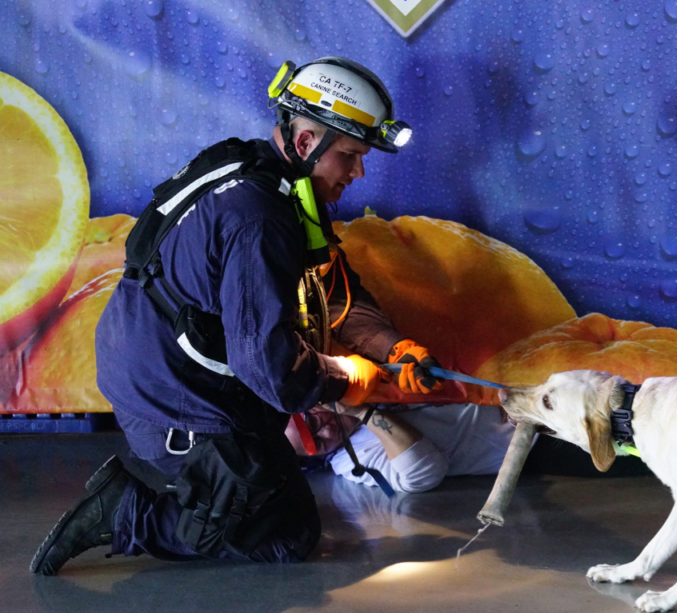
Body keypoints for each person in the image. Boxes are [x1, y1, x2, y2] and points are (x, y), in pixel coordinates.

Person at [31, 57, 443, 575]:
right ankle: (130, 513)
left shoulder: (261, 175)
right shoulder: (261, 218)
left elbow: (332, 289)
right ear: (304, 142)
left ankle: (202, 480)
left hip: (159, 360)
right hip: (171, 393)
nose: (358, 173)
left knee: (276, 490)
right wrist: (348, 376)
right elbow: (270, 371)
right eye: (350, 156)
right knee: (286, 538)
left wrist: (392, 346)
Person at [287, 402, 518, 494]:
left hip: (519, 386)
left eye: (313, 423)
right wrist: (362, 413)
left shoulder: (347, 376)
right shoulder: (350, 461)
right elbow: (423, 475)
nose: (327, 432)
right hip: (525, 442)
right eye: (317, 443)